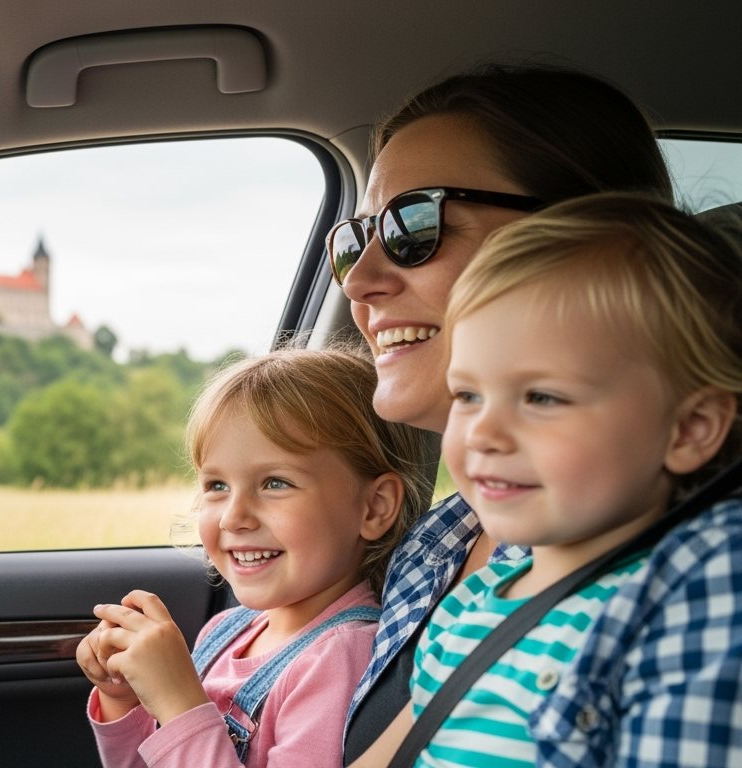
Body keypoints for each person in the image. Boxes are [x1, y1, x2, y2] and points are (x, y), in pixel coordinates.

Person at [336, 64, 742, 766]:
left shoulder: (699, 574)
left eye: (415, 224)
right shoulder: (446, 540)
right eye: (470, 395)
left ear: (572, 236)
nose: (359, 281)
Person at [404, 193, 742, 766]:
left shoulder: (689, 591)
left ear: (688, 430)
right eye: (467, 395)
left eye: (542, 397)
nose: (484, 433)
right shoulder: (465, 608)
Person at [76, 349, 437, 767]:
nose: (233, 517)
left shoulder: (340, 657)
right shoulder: (224, 632)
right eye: (216, 485)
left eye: (275, 483)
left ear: (374, 508)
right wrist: (124, 699)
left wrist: (179, 705)